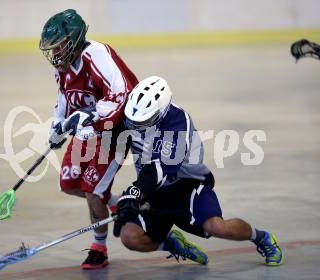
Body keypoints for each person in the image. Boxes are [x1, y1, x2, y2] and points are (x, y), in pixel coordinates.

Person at [113, 75, 283, 266]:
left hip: (187, 184)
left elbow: (161, 168)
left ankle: (261, 237)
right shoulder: (132, 117)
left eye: (143, 121)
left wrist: (135, 192)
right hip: (154, 189)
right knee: (130, 237)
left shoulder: (178, 123)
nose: (135, 126)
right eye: (132, 120)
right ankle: (172, 243)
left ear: (161, 112)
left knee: (217, 227)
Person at [39, 9, 138, 269]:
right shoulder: (63, 67)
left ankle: (99, 248)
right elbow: (64, 100)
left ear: (73, 39)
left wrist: (90, 116)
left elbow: (121, 95)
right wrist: (58, 125)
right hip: (90, 129)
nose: (55, 53)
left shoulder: (97, 55)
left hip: (114, 130)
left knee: (92, 190)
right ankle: (116, 204)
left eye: (59, 45)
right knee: (69, 182)